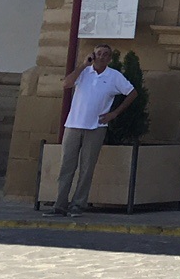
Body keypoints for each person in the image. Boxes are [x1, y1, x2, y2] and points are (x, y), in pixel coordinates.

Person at [51, 45, 137, 216]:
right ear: (93, 55)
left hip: (96, 127)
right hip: (74, 124)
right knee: (66, 166)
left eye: (105, 54)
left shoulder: (114, 76)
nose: (101, 57)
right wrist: (83, 65)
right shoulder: (84, 72)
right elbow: (66, 84)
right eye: (98, 53)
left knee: (87, 168)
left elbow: (132, 93)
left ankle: (78, 204)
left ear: (110, 58)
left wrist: (114, 113)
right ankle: (60, 204)